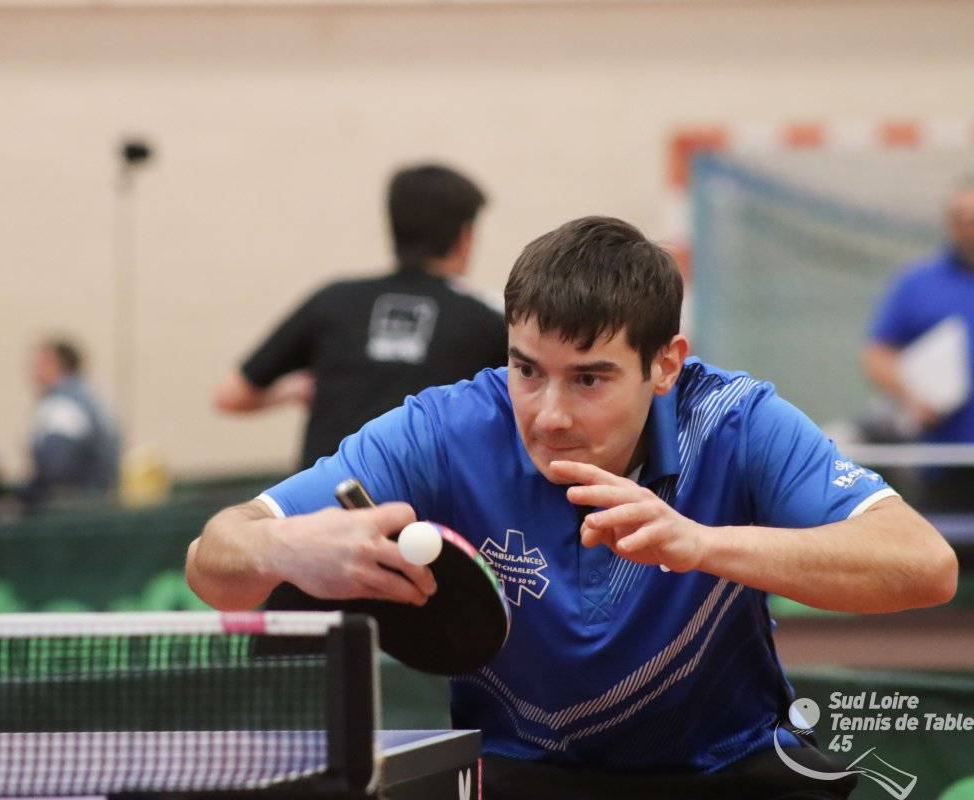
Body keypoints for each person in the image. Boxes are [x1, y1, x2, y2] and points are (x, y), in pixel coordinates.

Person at [187, 216, 958, 799]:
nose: (549, 414)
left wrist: (702, 544)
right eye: (527, 369)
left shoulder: (735, 423)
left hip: (724, 769)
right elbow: (213, 559)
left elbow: (925, 566)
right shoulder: (443, 429)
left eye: (588, 379)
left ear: (665, 364)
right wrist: (284, 550)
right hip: (520, 773)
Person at [213, 163, 508, 471]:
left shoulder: (333, 299)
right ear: (465, 236)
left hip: (320, 495)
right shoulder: (488, 320)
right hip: (424, 500)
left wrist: (293, 390)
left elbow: (229, 395)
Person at [862, 180, 974, 510]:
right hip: (944, 460)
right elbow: (876, 354)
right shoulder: (917, 284)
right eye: (961, 219)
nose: (969, 227)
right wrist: (912, 394)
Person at [18, 338, 120, 507]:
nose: (33, 370)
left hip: (76, 505)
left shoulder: (63, 406)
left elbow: (56, 470)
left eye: (39, 363)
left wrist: (24, 500)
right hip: (96, 499)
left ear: (57, 365)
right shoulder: (88, 396)